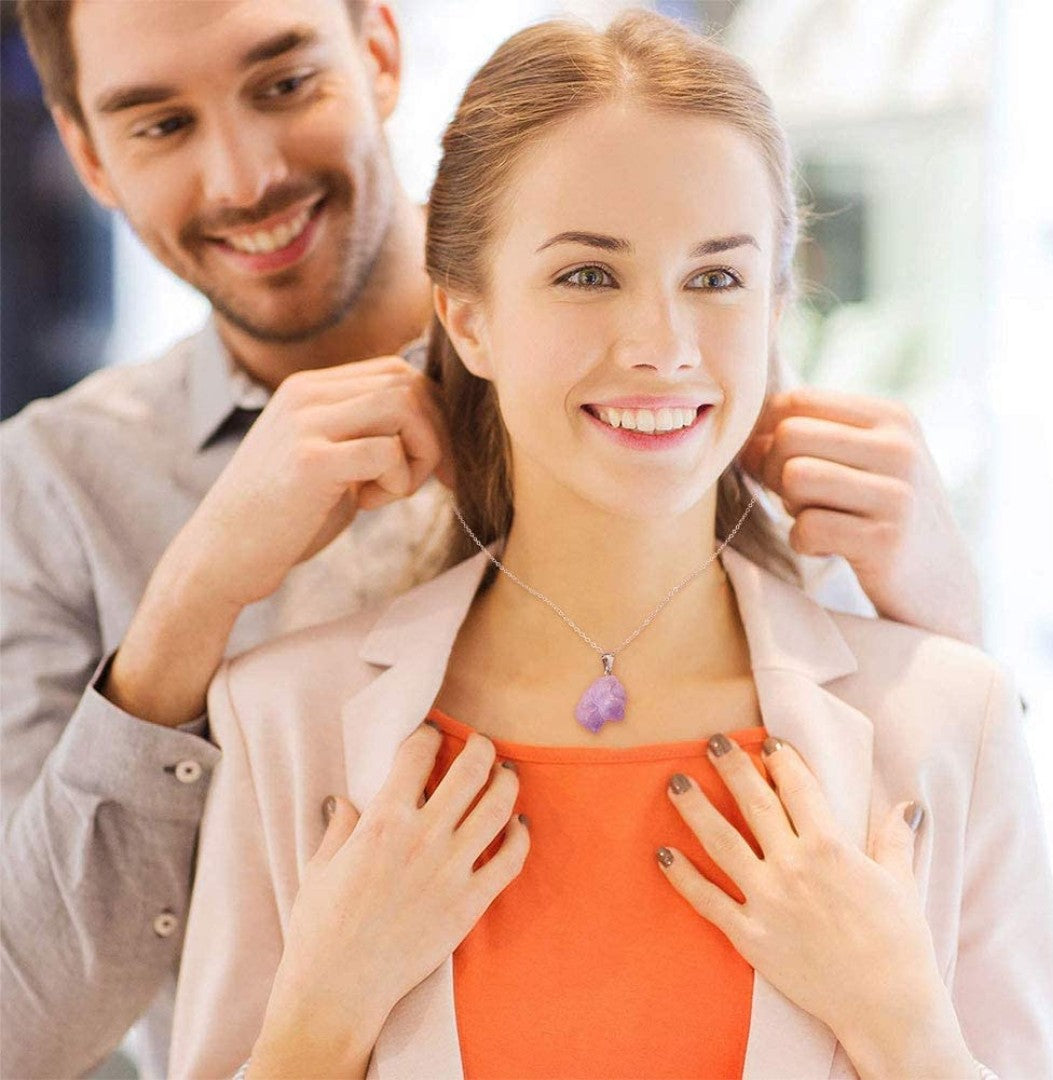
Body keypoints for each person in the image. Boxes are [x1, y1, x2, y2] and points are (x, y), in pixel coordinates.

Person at [1, 1, 987, 1077]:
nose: (244, 176)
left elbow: (937, 851)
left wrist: (947, 619)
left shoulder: (682, 396)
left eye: (285, 84)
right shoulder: (56, 492)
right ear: (87, 153)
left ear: (378, 52)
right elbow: (25, 1027)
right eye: (159, 124)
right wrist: (193, 601)